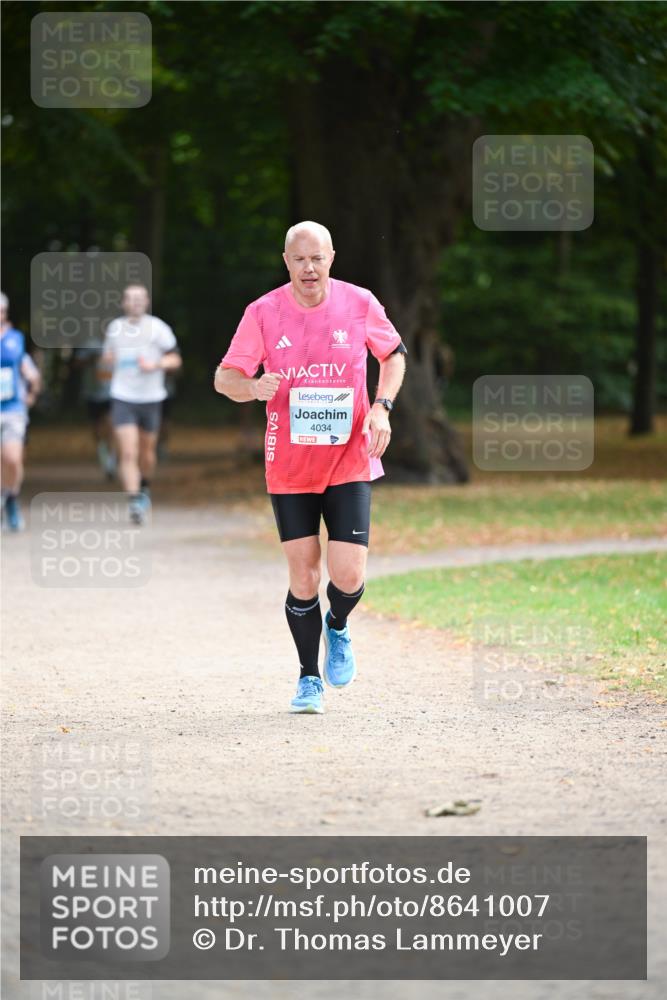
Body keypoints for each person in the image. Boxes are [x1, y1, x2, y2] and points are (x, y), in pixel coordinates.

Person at [214, 221, 407, 714]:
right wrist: (250, 387)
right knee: (304, 576)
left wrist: (382, 407)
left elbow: (394, 356)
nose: (308, 268)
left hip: (349, 460)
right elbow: (224, 377)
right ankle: (308, 678)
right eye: (299, 259)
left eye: (317, 258)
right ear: (286, 262)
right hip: (290, 466)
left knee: (348, 575)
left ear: (331, 258)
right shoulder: (263, 312)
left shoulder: (359, 302)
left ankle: (336, 625)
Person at [102, 284, 181, 524]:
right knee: (128, 452)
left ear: (146, 302)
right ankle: (135, 501)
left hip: (151, 397)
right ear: (123, 303)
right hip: (122, 397)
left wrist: (155, 365)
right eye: (130, 298)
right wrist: (110, 360)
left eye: (140, 298)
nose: (135, 302)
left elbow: (175, 359)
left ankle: (144, 485)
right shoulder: (114, 328)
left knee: (146, 453)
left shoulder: (158, 328)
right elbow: (107, 358)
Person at [1, 292, 41, 532]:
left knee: (12, 459)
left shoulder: (15, 339)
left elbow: (30, 371)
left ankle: (10, 498)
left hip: (13, 408)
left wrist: (32, 392)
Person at [73, 346, 116, 479]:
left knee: (111, 425)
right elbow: (76, 364)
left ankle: (111, 460)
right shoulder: (88, 344)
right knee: (96, 429)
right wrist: (90, 359)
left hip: (110, 393)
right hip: (92, 393)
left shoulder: (115, 343)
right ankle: (102, 454)